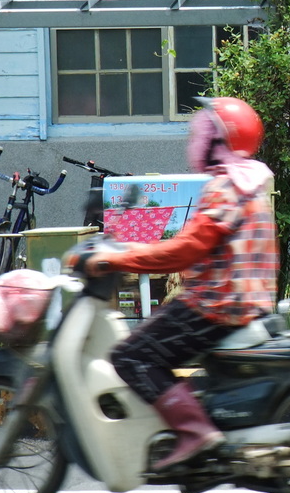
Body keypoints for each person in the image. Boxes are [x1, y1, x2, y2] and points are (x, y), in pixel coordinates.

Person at [77, 97, 277, 471]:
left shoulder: (226, 188)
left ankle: (195, 432)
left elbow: (184, 252)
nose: (194, 139)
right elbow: (190, 246)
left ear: (217, 140)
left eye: (201, 131)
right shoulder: (251, 183)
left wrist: (113, 258)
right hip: (242, 303)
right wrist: (130, 249)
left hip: (215, 306)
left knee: (131, 356)